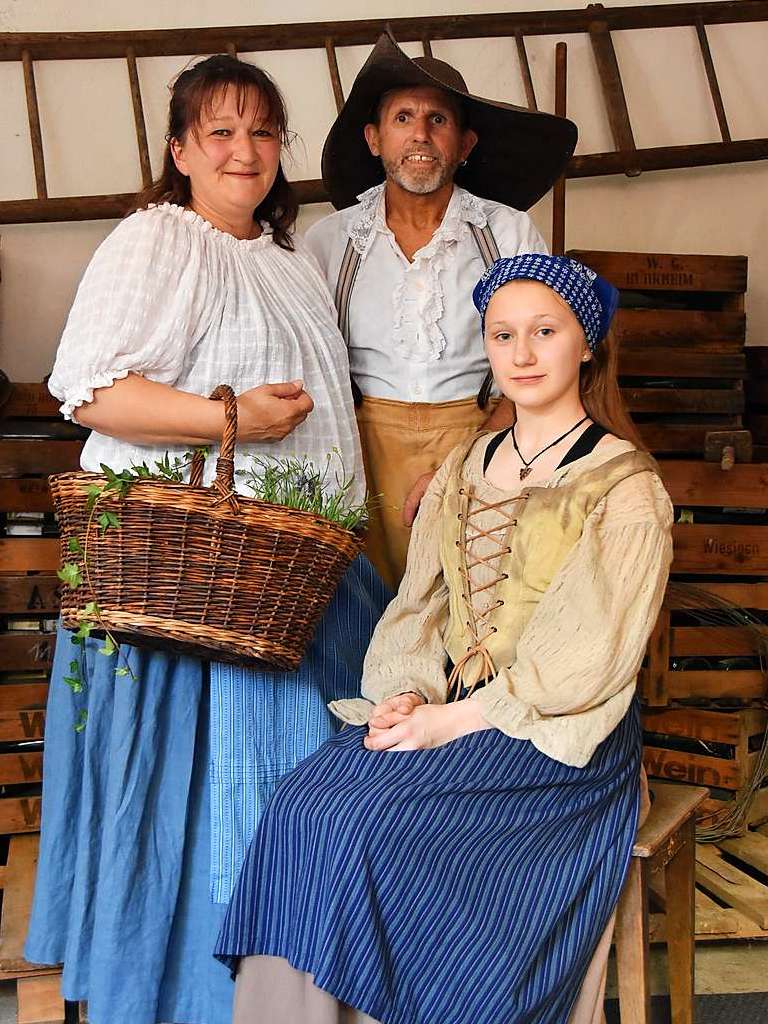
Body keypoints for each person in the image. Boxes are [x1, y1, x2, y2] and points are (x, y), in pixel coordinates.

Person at [214, 254, 674, 1024]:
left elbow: (585, 663)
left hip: (560, 736)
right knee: (304, 804)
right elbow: (418, 605)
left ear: (586, 343)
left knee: (372, 825)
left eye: (544, 332)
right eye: (503, 335)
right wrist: (405, 694)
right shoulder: (466, 466)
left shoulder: (624, 486)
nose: (522, 354)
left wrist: (449, 723)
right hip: (446, 708)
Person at [24, 55, 389, 1024]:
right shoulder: (158, 241)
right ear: (180, 149)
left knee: (302, 796)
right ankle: (185, 1001)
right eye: (219, 131)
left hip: (288, 574)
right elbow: (92, 389)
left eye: (262, 131)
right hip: (189, 580)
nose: (243, 149)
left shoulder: (294, 262)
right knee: (204, 808)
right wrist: (235, 419)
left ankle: (288, 998)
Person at [306, 33, 577, 590]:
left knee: (472, 602)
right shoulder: (329, 242)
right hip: (361, 448)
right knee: (365, 604)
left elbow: (542, 362)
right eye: (402, 118)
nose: (420, 135)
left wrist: (480, 457)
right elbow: (310, 366)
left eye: (438, 120)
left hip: (483, 433)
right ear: (374, 139)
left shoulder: (506, 232)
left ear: (465, 143)